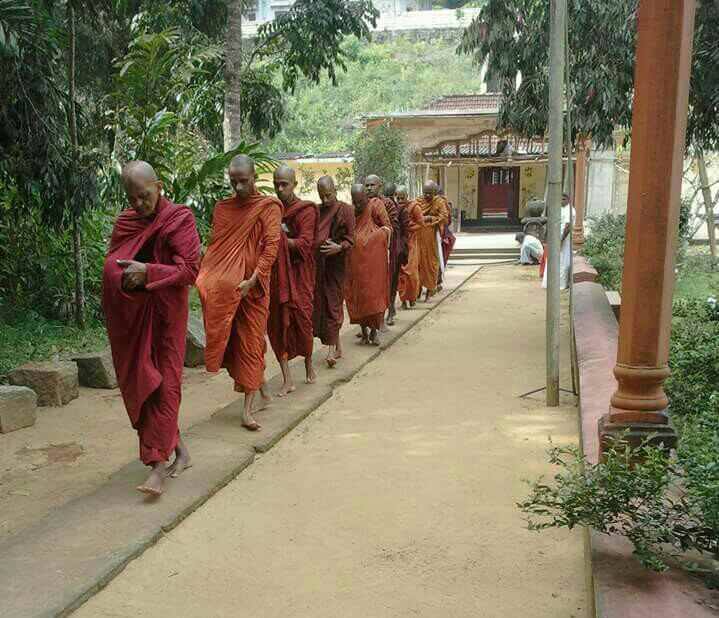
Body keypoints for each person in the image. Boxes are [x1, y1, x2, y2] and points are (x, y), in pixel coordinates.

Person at [103, 160, 200, 497]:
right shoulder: (127, 222)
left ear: (158, 186)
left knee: (165, 385)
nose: (139, 204)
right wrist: (125, 279)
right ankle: (182, 453)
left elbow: (190, 270)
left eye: (144, 196)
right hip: (137, 318)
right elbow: (113, 266)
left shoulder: (179, 218)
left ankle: (157, 467)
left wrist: (149, 272)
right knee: (147, 385)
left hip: (168, 316)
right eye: (133, 199)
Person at [196, 155, 282, 432]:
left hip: (254, 290)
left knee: (251, 340)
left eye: (243, 181)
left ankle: (247, 410)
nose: (239, 188)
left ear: (255, 177)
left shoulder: (267, 207)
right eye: (233, 182)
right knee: (243, 344)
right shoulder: (224, 208)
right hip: (231, 290)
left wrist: (253, 281)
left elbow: (271, 248)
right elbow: (217, 247)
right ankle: (263, 390)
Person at [268, 165, 319, 396]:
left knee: (303, 322)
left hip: (300, 275)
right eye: (276, 184)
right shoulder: (272, 210)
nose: (279, 189)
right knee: (278, 325)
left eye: (284, 184)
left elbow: (306, 244)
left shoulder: (305, 210)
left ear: (294, 184)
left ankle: (309, 365)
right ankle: (287, 378)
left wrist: (278, 237)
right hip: (278, 276)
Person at [313, 176, 355, 368]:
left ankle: (330, 351)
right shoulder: (318, 210)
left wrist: (338, 247)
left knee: (334, 305)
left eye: (328, 195)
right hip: (320, 265)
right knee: (324, 304)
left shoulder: (345, 210)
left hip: (337, 265)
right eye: (322, 196)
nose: (326, 200)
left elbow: (351, 239)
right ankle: (337, 347)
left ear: (335, 190)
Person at [344, 183, 391, 346]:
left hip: (373, 261)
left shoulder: (375, 205)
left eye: (360, 202)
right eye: (354, 202)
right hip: (355, 262)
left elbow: (387, 228)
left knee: (374, 295)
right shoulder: (349, 211)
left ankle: (374, 331)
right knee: (357, 295)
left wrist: (372, 238)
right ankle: (364, 331)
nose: (357, 206)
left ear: (366, 198)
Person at [416, 180, 449, 301]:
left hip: (431, 236)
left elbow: (444, 217)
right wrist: (421, 219)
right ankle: (417, 290)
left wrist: (431, 218)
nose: (427, 196)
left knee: (430, 263)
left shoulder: (439, 201)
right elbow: (412, 214)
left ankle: (430, 290)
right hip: (418, 235)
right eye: (425, 193)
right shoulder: (418, 201)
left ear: (435, 192)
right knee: (418, 263)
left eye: (430, 193)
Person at [383, 182, 409, 325]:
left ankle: (391, 309)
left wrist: (401, 249)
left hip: (395, 251)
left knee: (392, 283)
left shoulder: (401, 210)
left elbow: (405, 231)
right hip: (381, 249)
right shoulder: (379, 206)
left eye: (389, 196)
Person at [396, 186, 424, 309]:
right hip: (400, 242)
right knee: (401, 273)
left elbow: (421, 223)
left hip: (411, 242)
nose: (400, 200)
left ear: (407, 196)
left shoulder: (414, 207)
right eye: (398, 198)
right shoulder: (395, 207)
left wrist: (409, 228)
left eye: (402, 198)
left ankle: (412, 297)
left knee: (412, 272)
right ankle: (403, 300)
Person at [542, 193, 576, 290]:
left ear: (568, 200)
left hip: (563, 240)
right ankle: (549, 283)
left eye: (564, 199)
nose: (561, 201)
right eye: (560, 199)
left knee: (562, 262)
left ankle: (561, 285)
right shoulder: (559, 209)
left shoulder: (570, 211)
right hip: (554, 239)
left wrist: (561, 239)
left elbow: (568, 227)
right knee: (551, 260)